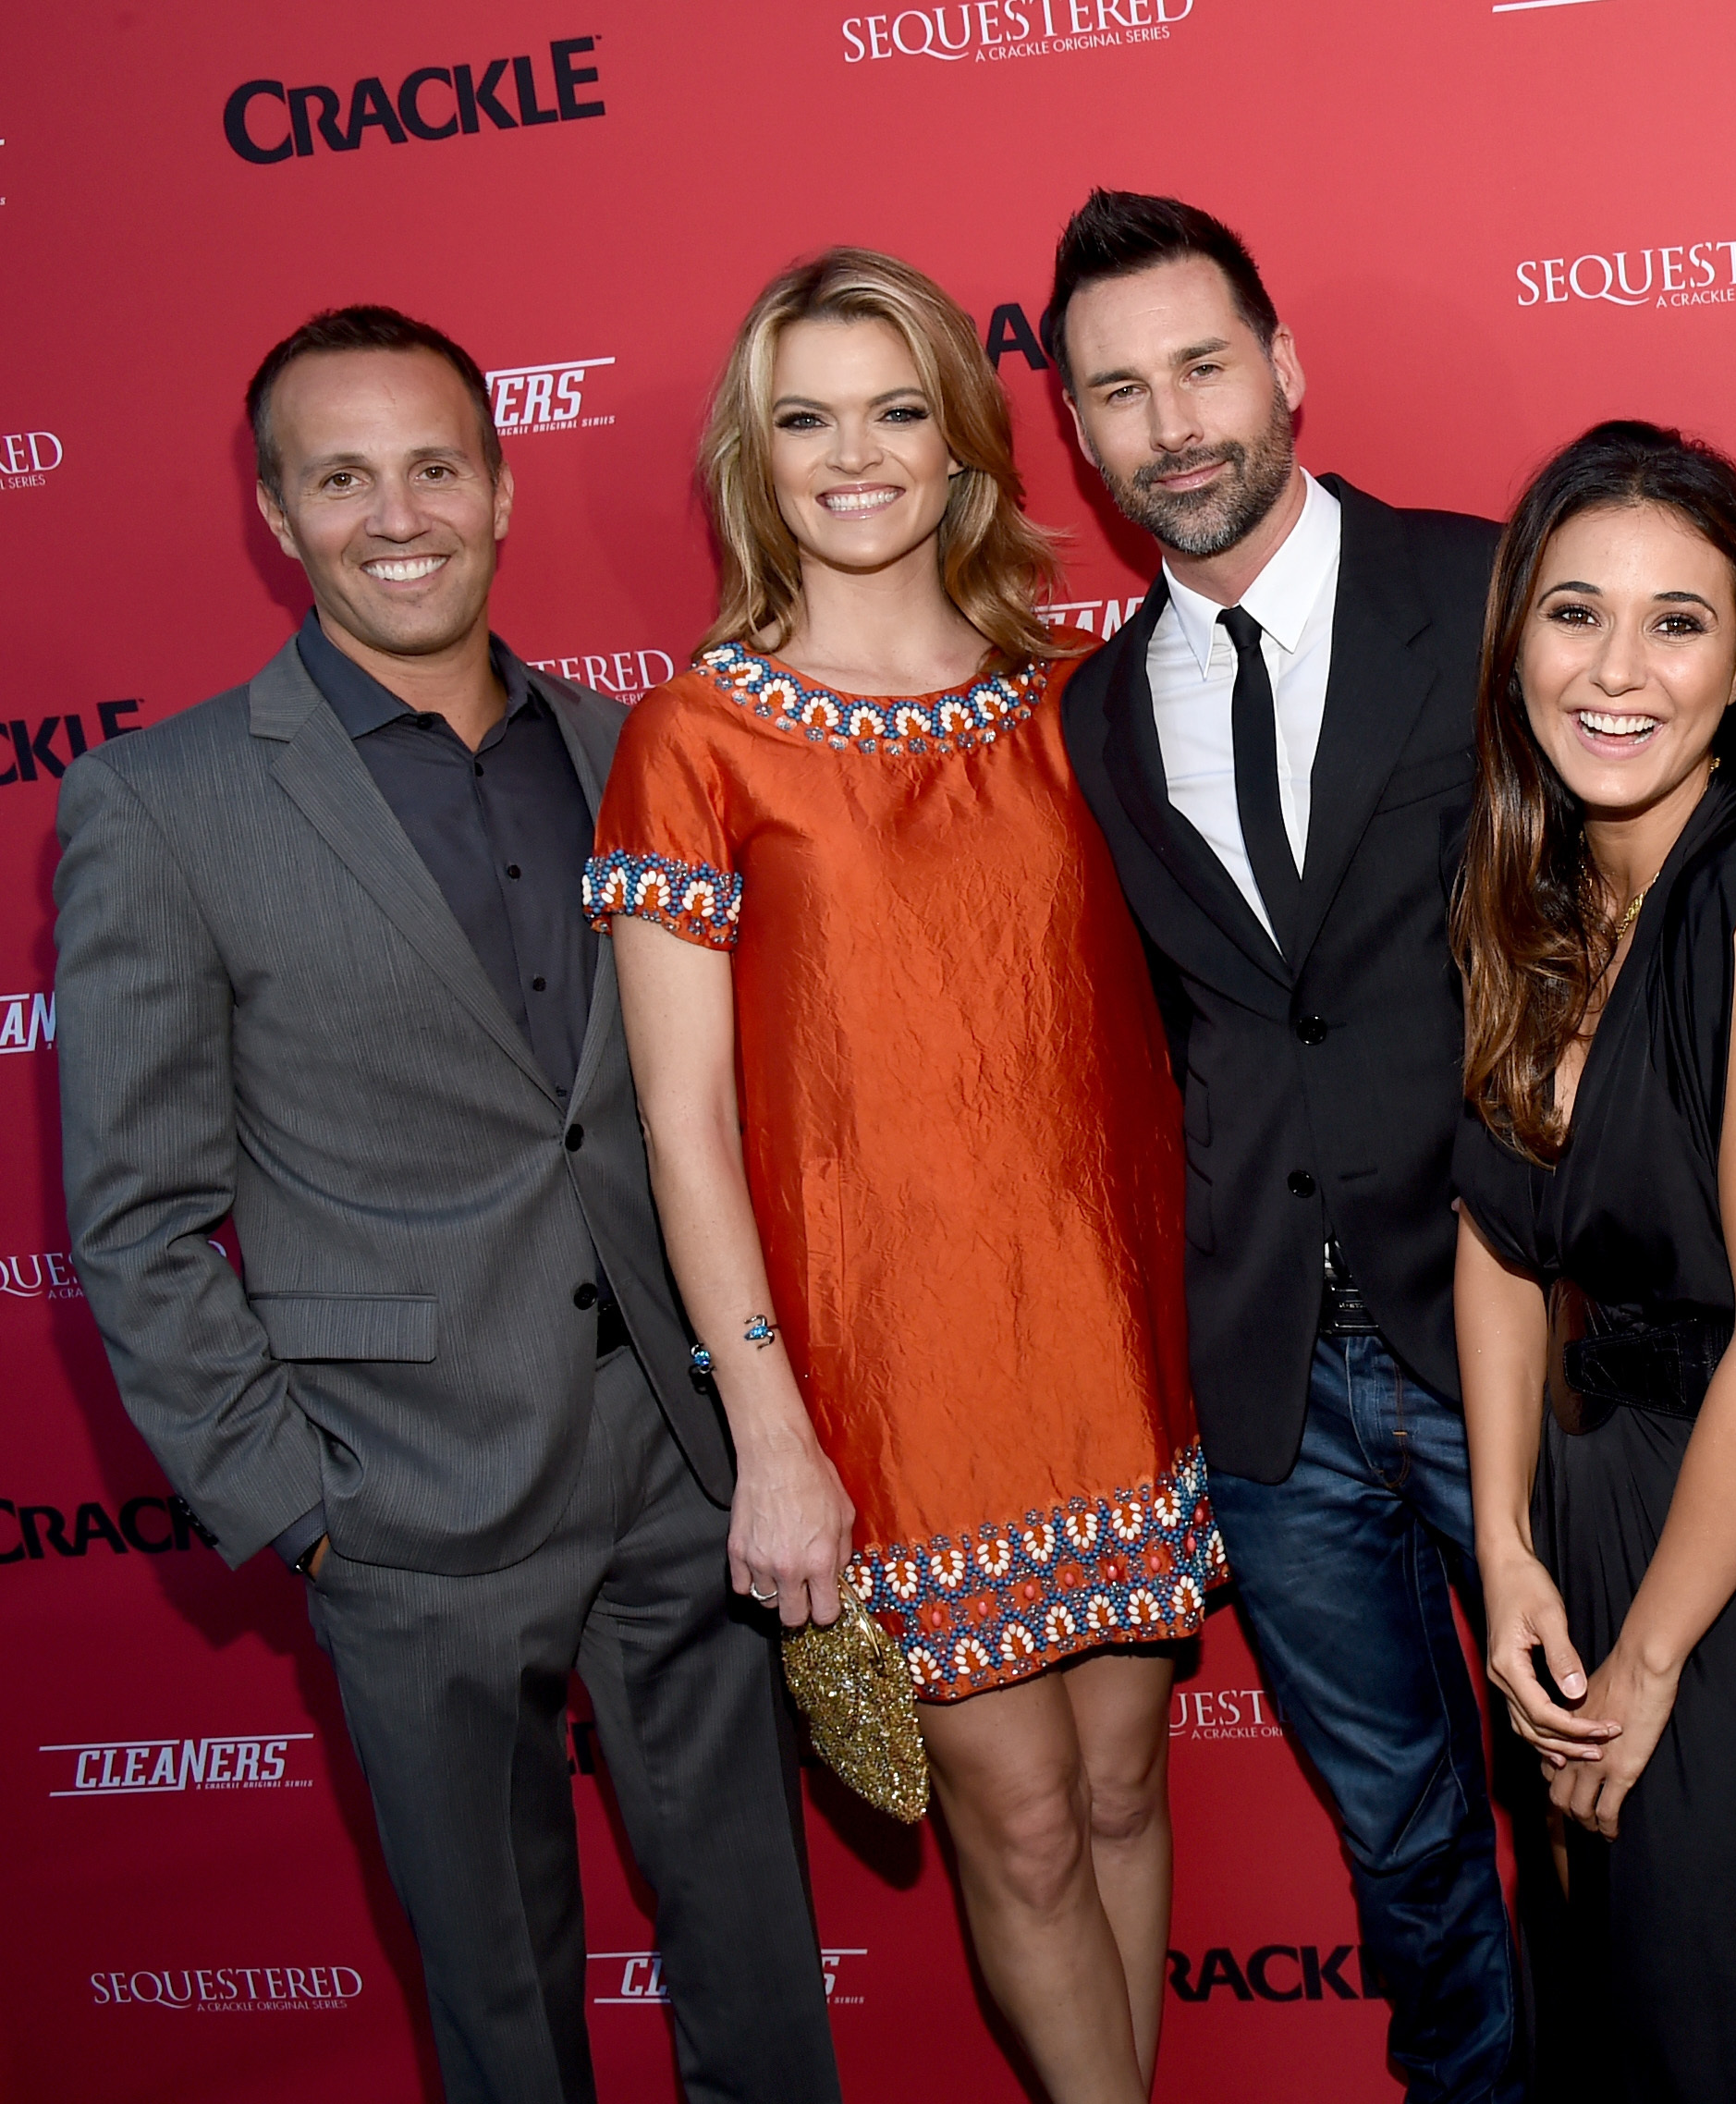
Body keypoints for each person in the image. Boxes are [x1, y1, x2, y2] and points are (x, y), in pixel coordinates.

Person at [53, 306, 841, 2104]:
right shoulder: (155, 807)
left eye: (432, 465)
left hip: (683, 1476)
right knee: (504, 2026)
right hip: (402, 1507)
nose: (394, 512)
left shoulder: (643, 742)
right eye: (342, 476)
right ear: (276, 512)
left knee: (765, 1989)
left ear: (496, 486)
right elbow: (138, 1218)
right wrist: (299, 1510)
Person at [590, 249, 1216, 2104]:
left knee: (1118, 1783)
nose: (850, 456)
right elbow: (682, 1128)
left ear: (959, 442)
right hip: (887, 1379)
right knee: (1016, 1823)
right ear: (753, 462)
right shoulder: (692, 741)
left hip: (1105, 1341)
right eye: (803, 418)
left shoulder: (1076, 700)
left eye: (893, 409)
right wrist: (771, 1430)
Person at [1040, 192, 1522, 2103]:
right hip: (1267, 1385)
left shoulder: (1493, 592)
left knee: (1609, 1799)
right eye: (1118, 391)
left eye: (1202, 365)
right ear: (1074, 436)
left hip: (1507, 1334)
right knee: (1405, 1861)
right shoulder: (1086, 715)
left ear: (1284, 366)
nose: (1173, 421)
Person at [1452, 420, 1736, 2103]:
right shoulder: (1543, 895)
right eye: (1575, 615)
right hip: (1586, 1519)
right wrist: (1503, 1544)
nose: (1617, 669)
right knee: (1619, 2025)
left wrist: (1646, 1662)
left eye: (1676, 621)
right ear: (1517, 643)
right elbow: (1498, 1241)